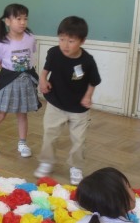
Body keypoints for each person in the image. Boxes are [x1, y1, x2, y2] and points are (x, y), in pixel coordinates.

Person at [34, 16, 101, 186]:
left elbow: (94, 81)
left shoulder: (87, 61)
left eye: (71, 41)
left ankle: (76, 167)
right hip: (55, 103)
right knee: (50, 134)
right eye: (61, 39)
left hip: (79, 108)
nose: (65, 45)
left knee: (79, 140)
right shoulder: (54, 53)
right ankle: (47, 161)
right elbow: (45, 71)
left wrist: (88, 96)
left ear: (82, 41)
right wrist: (43, 80)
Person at [0, 3, 40, 158]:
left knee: (22, 114)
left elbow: (30, 56)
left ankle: (22, 143)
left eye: (25, 19)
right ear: (7, 21)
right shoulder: (1, 43)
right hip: (8, 82)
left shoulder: (30, 38)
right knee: (0, 114)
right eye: (18, 19)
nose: (23, 22)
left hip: (25, 81)